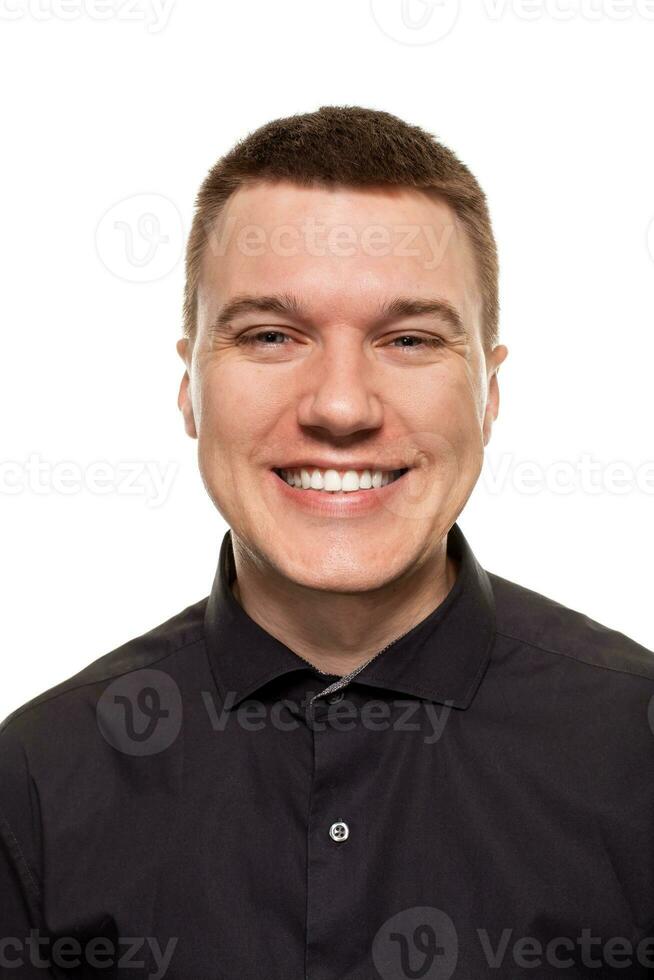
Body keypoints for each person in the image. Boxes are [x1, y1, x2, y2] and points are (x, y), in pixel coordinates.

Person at [2, 105, 653, 980]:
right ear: (189, 386)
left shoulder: (637, 750)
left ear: (489, 394)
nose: (340, 407)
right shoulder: (37, 779)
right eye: (272, 335)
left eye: (409, 339)